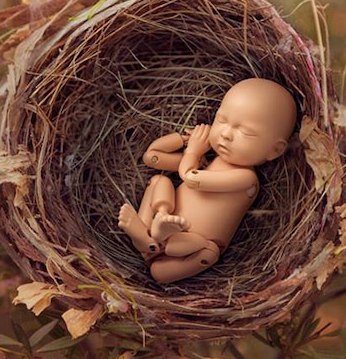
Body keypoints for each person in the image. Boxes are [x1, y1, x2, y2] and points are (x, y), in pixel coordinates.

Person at [117, 78, 297, 283]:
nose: (226, 134)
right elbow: (153, 158)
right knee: (159, 181)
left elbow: (191, 178)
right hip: (165, 224)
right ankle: (149, 233)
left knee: (208, 252)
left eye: (245, 132)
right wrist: (183, 140)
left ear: (275, 150)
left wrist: (193, 151)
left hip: (192, 246)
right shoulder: (203, 162)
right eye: (221, 120)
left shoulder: (246, 179)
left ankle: (157, 245)